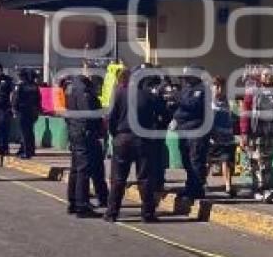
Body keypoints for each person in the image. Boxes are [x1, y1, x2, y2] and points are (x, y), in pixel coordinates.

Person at [104, 67, 161, 223]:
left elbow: (111, 118)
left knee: (118, 178)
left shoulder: (119, 94)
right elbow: (164, 114)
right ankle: (147, 214)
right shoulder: (149, 96)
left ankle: (112, 213)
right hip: (143, 139)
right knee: (145, 178)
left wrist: (115, 135)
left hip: (122, 138)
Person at [240, 68, 273, 203]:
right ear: (260, 77)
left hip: (272, 132)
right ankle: (261, 188)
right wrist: (244, 133)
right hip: (256, 132)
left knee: (267, 162)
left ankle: (262, 188)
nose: (268, 77)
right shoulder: (253, 91)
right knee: (258, 161)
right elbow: (245, 112)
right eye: (265, 75)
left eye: (270, 75)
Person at [64, 71, 104, 218]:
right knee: (83, 169)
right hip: (83, 131)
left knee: (75, 168)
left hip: (74, 130)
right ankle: (82, 205)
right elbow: (88, 114)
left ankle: (73, 201)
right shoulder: (84, 91)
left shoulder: (70, 88)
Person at [172, 65, 210, 201]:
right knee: (186, 160)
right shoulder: (186, 89)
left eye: (188, 77)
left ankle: (197, 189)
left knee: (196, 160)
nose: (186, 80)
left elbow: (192, 105)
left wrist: (176, 97)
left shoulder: (202, 90)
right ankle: (190, 187)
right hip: (183, 129)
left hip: (196, 130)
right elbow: (180, 107)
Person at [210, 76, 237, 197]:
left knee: (226, 161)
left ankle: (228, 186)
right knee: (207, 162)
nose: (219, 89)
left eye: (221, 87)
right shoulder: (208, 102)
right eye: (216, 86)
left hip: (226, 138)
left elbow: (235, 117)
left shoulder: (229, 102)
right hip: (211, 139)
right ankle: (202, 183)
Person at [12, 69, 41, 159]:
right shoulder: (34, 86)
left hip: (22, 111)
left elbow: (16, 99)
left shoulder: (20, 86)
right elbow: (38, 99)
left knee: (24, 132)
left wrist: (14, 109)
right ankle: (31, 150)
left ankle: (26, 151)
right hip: (32, 111)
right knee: (30, 132)